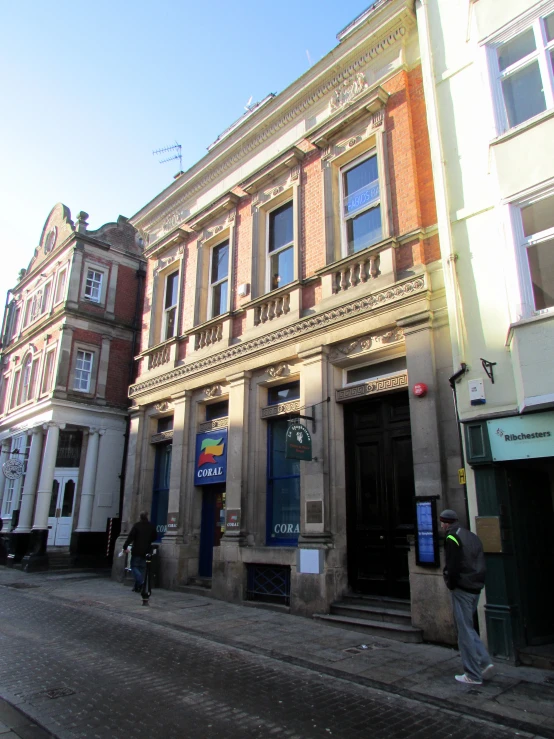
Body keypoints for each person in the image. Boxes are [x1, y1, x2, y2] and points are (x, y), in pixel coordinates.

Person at [440, 508, 494, 685]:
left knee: (464, 631)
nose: (441, 525)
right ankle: (484, 662)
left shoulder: (452, 537)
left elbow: (453, 565)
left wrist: (451, 582)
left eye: (442, 522)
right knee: (469, 628)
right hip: (475, 587)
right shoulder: (471, 536)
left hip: (463, 587)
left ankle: (473, 673)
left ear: (446, 523)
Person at [123, 511, 157, 593]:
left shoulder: (137, 526)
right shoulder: (151, 526)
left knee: (134, 566)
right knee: (142, 568)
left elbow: (130, 537)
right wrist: (148, 541)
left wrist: (125, 546)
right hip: (146, 550)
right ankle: (137, 587)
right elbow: (154, 537)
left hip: (137, 550)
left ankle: (141, 582)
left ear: (140, 517)